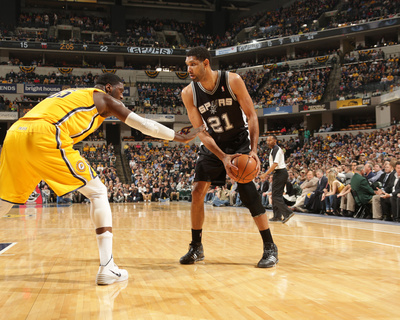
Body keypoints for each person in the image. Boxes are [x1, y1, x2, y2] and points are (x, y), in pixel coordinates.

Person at [0, 73, 203, 285]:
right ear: (108, 87)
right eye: (121, 91)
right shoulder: (103, 99)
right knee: (98, 192)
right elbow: (143, 125)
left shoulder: (77, 95)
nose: (122, 97)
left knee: (5, 200)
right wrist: (179, 137)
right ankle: (107, 267)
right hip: (44, 132)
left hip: (16, 132)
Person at [179, 47, 278, 268]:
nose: (189, 69)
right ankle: (196, 247)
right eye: (187, 65)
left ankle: (270, 247)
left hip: (238, 141)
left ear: (206, 63)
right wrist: (223, 157)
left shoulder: (232, 80)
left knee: (248, 191)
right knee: (197, 192)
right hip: (214, 144)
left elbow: (252, 115)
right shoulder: (188, 93)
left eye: (193, 64)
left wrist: (253, 150)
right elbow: (200, 132)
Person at [260, 135, 294, 222]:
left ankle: (288, 213)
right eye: (267, 140)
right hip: (278, 173)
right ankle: (277, 216)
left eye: (270, 140)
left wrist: (265, 174)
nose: (268, 142)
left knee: (276, 196)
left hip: (280, 173)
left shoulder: (276, 149)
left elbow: (275, 164)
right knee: (275, 195)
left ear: (275, 141)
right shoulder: (273, 149)